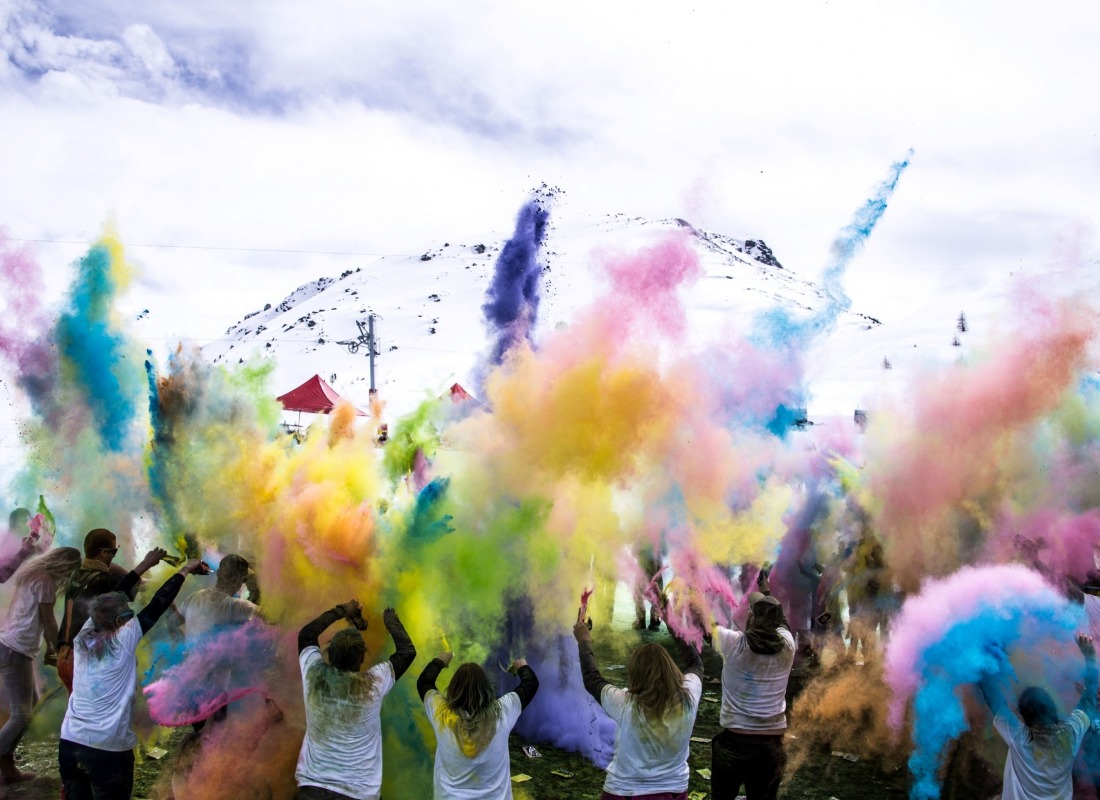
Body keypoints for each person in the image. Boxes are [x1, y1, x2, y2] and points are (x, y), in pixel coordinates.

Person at [58, 557, 210, 800]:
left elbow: (111, 599)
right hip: (107, 751)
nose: (132, 618)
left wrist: (144, 565)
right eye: (128, 615)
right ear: (119, 622)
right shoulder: (123, 639)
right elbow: (159, 603)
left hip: (70, 743)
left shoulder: (84, 634)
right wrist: (185, 569)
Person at [295, 599, 415, 800]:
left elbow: (307, 634)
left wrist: (342, 610)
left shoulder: (313, 674)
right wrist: (391, 620)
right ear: (361, 659)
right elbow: (407, 651)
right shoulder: (372, 685)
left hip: (311, 790)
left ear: (329, 653)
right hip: (358, 794)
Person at [573, 615, 702, 800]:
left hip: (624, 792)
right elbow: (695, 662)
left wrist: (584, 641)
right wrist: (670, 620)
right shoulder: (689, 697)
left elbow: (592, 679)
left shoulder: (626, 704)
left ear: (635, 673)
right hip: (673, 791)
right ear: (671, 668)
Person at [0, 546, 81, 794]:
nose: (69, 577)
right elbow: (48, 620)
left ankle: (8, 769)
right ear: (65, 566)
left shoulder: (33, 573)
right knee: (21, 714)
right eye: (71, 571)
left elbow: (40, 618)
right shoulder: (45, 580)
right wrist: (59, 648)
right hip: (15, 650)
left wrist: (49, 646)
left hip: (12, 646)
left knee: (29, 706)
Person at [978, 634, 1097, 800]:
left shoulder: (1018, 737)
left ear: (1023, 718)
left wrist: (980, 659)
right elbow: (1089, 700)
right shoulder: (1071, 735)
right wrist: (1090, 655)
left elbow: (992, 696)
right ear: (1054, 711)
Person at [710, 572, 796, 800]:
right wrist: (766, 589)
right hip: (772, 747)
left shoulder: (733, 642)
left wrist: (692, 597)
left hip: (734, 744)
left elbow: (705, 625)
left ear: (751, 618)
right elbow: (781, 619)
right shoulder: (788, 645)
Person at [57, 529, 166, 691]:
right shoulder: (104, 581)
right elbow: (124, 587)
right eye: (113, 552)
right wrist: (147, 566)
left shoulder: (76, 574)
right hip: (85, 661)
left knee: (80, 713)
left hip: (64, 658)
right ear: (103, 553)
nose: (114, 555)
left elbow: (116, 574)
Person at [417, 653, 538, 799]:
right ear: (486, 687)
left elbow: (424, 682)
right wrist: (522, 666)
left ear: (454, 688)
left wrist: (440, 660)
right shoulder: (501, 712)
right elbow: (531, 683)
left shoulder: (442, 714)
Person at [171, 553, 262, 730]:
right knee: (215, 738)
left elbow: (172, 622)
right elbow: (273, 618)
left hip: (191, 683)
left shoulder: (195, 597)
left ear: (219, 573)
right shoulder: (237, 606)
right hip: (218, 691)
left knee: (199, 733)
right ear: (242, 580)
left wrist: (181, 642)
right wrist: (257, 586)